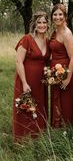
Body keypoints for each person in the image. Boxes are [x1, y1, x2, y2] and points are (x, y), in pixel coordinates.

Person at [13, 11, 50, 140]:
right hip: (26, 78)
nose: (42, 25)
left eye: (44, 22)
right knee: (25, 106)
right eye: (39, 22)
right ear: (34, 24)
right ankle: (22, 137)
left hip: (40, 81)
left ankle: (37, 135)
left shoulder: (47, 40)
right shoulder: (27, 39)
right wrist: (24, 82)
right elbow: (18, 61)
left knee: (39, 106)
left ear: (48, 24)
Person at [49, 4, 73, 128]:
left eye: (60, 14)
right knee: (56, 100)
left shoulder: (66, 33)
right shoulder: (54, 31)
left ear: (65, 17)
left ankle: (67, 128)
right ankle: (56, 127)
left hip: (66, 72)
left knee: (65, 102)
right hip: (55, 72)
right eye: (55, 14)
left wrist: (68, 78)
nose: (57, 17)